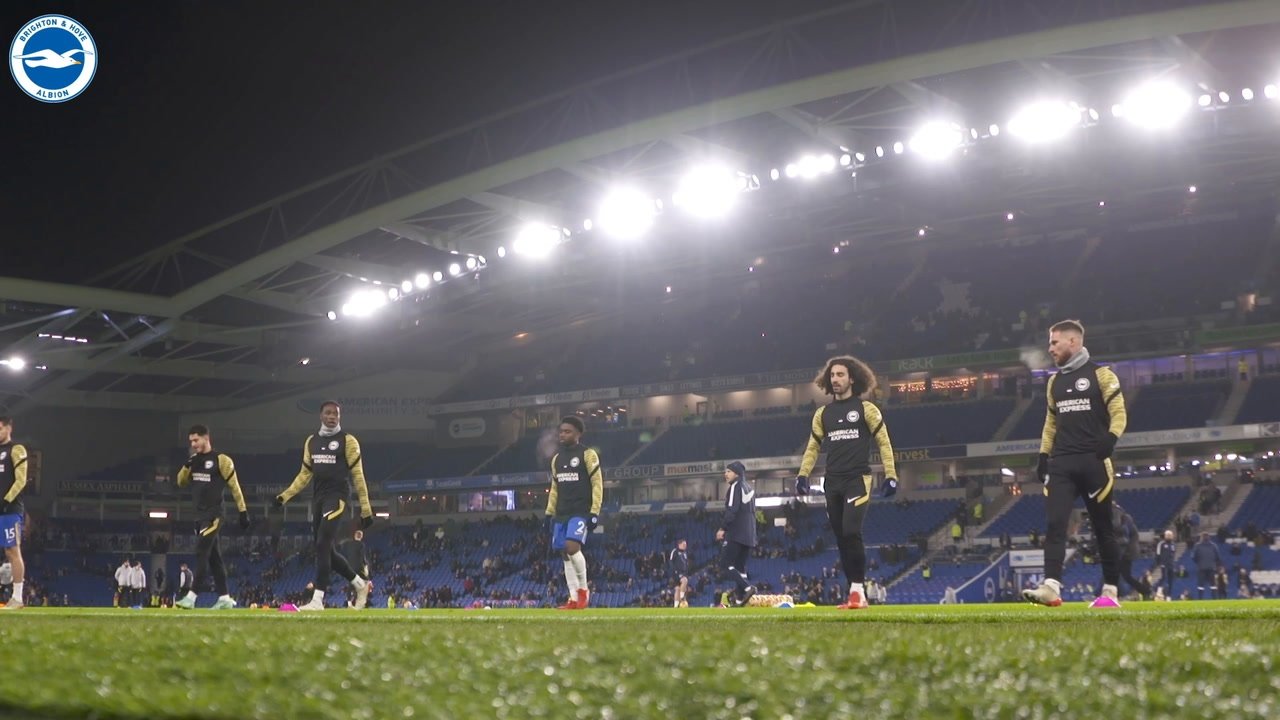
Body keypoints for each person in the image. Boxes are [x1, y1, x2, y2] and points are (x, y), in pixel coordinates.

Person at [1024, 321, 1127, 608]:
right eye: (1049, 343)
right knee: (1056, 524)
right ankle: (1051, 587)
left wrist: (1111, 438)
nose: (1050, 348)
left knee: (1102, 528)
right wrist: (1044, 455)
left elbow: (1119, 413)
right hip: (1063, 464)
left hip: (1095, 462)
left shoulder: (1102, 375)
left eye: (1055, 342)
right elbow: (1051, 423)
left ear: (1073, 341)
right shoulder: (1054, 382)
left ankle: (1110, 593)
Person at [795, 356, 898, 610]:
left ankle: (857, 591)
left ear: (852, 378)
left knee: (852, 532)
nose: (836, 379)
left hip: (858, 480)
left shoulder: (867, 409)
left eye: (840, 375)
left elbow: (884, 443)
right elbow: (812, 448)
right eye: (832, 375)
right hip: (832, 482)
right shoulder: (823, 414)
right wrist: (802, 475)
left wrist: (891, 475)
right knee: (841, 537)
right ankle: (855, 593)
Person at [275, 401, 373, 611]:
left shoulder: (348, 441)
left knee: (322, 544)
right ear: (320, 416)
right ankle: (360, 584)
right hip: (318, 499)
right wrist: (284, 496)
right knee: (326, 549)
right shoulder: (311, 441)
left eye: (336, 414)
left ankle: (317, 600)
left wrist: (366, 509)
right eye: (328, 413)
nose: (332, 416)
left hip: (337, 497)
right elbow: (304, 475)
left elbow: (358, 476)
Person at [175, 424, 251, 610]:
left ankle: (191, 597)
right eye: (191, 441)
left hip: (214, 515)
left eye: (196, 440)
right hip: (199, 516)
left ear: (206, 438)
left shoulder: (221, 460)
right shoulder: (193, 461)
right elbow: (180, 482)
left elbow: (235, 486)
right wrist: (187, 466)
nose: (193, 444)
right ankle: (225, 598)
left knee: (201, 552)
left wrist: (243, 511)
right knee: (214, 558)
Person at [544, 416, 603, 610]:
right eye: (561, 431)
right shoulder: (556, 459)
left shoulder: (588, 454)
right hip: (561, 512)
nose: (562, 434)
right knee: (564, 554)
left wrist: (594, 511)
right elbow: (554, 488)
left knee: (572, 548)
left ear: (578, 434)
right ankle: (572, 598)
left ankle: (583, 592)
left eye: (567, 431)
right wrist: (548, 513)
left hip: (580, 511)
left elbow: (597, 484)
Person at [716, 462, 756, 607]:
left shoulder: (735, 487)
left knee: (724, 564)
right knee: (740, 567)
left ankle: (747, 587)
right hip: (750, 534)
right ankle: (740, 601)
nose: (725, 474)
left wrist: (722, 528)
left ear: (737, 473)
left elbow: (732, 510)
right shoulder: (749, 487)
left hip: (736, 532)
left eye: (728, 471)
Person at [0, 416, 30, 609]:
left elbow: (21, 480)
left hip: (9, 510)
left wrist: (5, 501)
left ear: (8, 428)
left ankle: (17, 598)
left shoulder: (16, 449)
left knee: (12, 551)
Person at [1114, 504, 1149, 598]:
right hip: (1128, 551)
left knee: (1118, 574)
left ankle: (1145, 591)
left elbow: (1123, 536)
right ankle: (1145, 591)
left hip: (1126, 552)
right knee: (1125, 576)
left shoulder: (1123, 521)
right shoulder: (1127, 519)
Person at [340, 529, 372, 609]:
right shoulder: (361, 545)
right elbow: (362, 557)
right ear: (361, 536)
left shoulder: (348, 544)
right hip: (359, 568)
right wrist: (366, 566)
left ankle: (349, 603)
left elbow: (346, 554)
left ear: (354, 536)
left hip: (350, 568)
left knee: (350, 584)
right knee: (366, 582)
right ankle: (361, 602)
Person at [1192, 532, 1221, 600]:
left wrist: (1198, 562)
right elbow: (1218, 557)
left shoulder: (1197, 546)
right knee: (1213, 584)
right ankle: (1215, 599)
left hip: (1201, 568)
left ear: (1201, 538)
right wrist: (1214, 563)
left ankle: (1200, 599)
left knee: (1201, 585)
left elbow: (1193, 556)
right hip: (1211, 568)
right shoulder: (1213, 545)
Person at [1155, 529, 1177, 598]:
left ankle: (1169, 596)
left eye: (1170, 535)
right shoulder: (1161, 544)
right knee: (1163, 577)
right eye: (1167, 535)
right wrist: (1159, 563)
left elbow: (1173, 555)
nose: (1169, 536)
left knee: (1171, 580)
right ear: (1165, 536)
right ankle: (1159, 591)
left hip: (1171, 564)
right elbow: (1158, 554)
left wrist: (1173, 563)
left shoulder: (1173, 545)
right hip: (1163, 563)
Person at [668, 538, 690, 608]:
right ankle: (682, 597)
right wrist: (674, 572)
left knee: (677, 589)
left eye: (685, 544)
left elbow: (686, 563)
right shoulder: (675, 551)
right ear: (679, 545)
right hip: (676, 573)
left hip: (683, 573)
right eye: (683, 544)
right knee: (684, 580)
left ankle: (676, 606)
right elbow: (671, 562)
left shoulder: (685, 553)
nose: (685, 546)